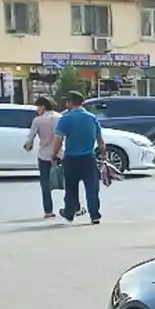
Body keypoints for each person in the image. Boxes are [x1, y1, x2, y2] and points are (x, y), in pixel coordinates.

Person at [55, 92, 105, 225]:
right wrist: (103, 155)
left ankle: (69, 213)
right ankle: (94, 215)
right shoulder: (92, 118)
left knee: (71, 188)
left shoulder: (66, 118)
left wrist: (54, 154)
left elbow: (58, 139)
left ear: (71, 103)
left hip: (71, 159)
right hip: (89, 158)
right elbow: (100, 140)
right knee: (92, 188)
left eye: (67, 102)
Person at [24, 96, 59, 218]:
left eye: (38, 106)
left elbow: (30, 138)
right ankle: (74, 207)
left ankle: (48, 211)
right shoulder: (60, 117)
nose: (37, 109)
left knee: (45, 183)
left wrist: (27, 146)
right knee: (67, 182)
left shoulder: (38, 120)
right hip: (60, 154)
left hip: (44, 155)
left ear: (43, 106)